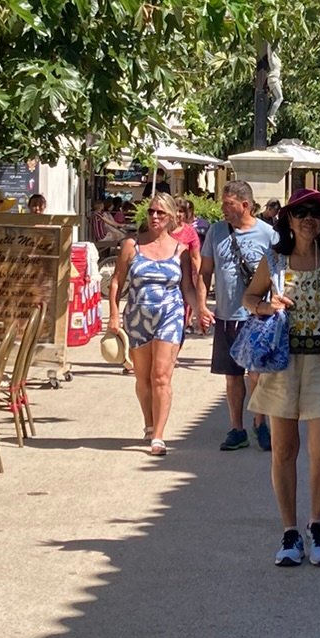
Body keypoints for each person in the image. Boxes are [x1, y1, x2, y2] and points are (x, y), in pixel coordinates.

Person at [242, 189, 320, 566]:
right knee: (283, 450)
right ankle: (289, 531)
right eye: (301, 212)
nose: (308, 219)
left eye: (316, 213)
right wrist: (267, 305)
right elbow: (250, 298)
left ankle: (317, 524)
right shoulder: (275, 259)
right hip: (283, 361)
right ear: (289, 219)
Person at [106, 192, 206, 456]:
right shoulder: (131, 245)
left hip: (170, 316)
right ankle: (149, 424)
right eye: (151, 212)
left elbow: (187, 288)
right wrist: (113, 315)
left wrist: (198, 310)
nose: (154, 217)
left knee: (161, 376)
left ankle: (159, 436)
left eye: (160, 213)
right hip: (138, 317)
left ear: (172, 217)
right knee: (143, 379)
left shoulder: (180, 250)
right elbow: (117, 281)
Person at [200, 179, 276, 451]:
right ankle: (237, 428)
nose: (223, 209)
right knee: (232, 375)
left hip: (257, 317)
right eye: (222, 203)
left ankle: (260, 422)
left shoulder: (268, 234)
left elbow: (280, 274)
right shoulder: (216, 232)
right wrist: (200, 305)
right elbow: (205, 271)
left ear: (245, 205)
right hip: (226, 315)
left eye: (228, 204)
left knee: (256, 373)